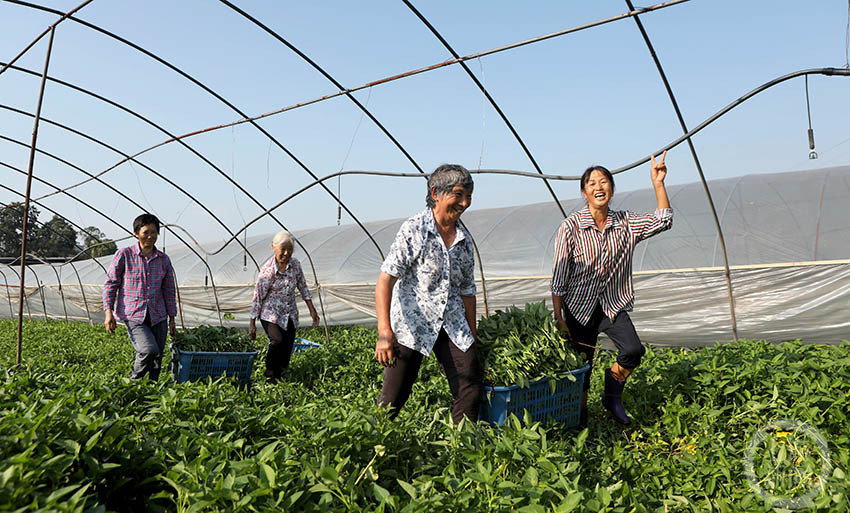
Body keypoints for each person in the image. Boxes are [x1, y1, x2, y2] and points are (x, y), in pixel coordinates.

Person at [551, 152, 673, 426]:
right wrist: (559, 318)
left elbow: (663, 221)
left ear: (612, 189)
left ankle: (611, 395)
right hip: (579, 309)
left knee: (632, 350)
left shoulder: (625, 223)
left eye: (604, 181)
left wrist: (658, 184)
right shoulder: (570, 227)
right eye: (592, 183)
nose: (599, 187)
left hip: (612, 305)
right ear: (584, 192)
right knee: (581, 370)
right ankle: (578, 422)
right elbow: (558, 278)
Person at [374, 164, 482, 424]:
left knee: (470, 387)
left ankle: (463, 447)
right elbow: (385, 280)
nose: (465, 203)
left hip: (452, 323)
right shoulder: (415, 230)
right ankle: (371, 448)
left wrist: (472, 333)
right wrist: (385, 333)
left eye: (469, 196)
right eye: (458, 195)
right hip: (413, 323)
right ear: (436, 193)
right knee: (393, 399)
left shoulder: (464, 240)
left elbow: (468, 291)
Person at [103, 213, 177, 381]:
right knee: (149, 350)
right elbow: (111, 284)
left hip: (158, 314)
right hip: (133, 314)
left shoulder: (164, 260)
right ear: (136, 233)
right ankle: (133, 382)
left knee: (157, 359)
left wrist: (172, 319)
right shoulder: (124, 255)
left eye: (154, 232)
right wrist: (108, 313)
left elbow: (169, 291)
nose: (150, 236)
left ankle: (151, 393)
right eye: (146, 232)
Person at [249, 229, 319, 382]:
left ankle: (280, 374)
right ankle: (269, 371)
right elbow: (258, 297)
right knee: (277, 340)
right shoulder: (267, 271)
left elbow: (303, 287)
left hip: (289, 311)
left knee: (287, 344)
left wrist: (312, 310)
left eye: (290, 250)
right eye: (283, 249)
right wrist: (252, 323)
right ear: (273, 248)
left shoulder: (295, 265)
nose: (286, 253)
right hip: (270, 312)